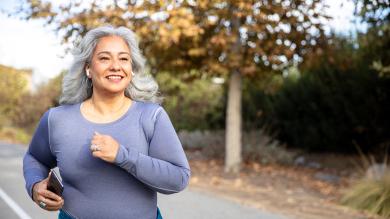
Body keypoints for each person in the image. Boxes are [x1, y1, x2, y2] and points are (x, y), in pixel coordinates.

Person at [23, 26, 191, 219]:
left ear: (132, 69)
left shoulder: (152, 117)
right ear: (88, 68)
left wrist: (123, 156)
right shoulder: (57, 119)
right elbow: (34, 157)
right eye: (104, 58)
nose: (115, 66)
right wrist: (35, 185)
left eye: (123, 58)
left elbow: (179, 178)